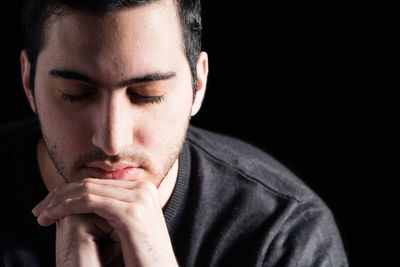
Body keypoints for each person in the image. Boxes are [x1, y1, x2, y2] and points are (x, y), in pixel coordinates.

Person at [1, 0, 348, 266]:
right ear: (28, 81)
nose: (111, 141)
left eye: (147, 95)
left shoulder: (283, 234)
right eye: (75, 94)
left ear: (198, 85)